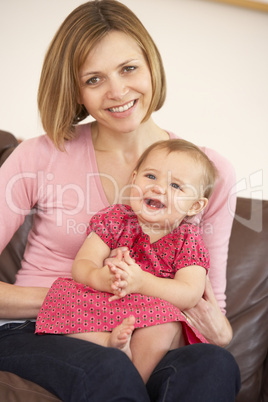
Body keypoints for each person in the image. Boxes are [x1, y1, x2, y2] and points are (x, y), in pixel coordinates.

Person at [0, 0, 240, 401]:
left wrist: (218, 329)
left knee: (214, 365)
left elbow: (212, 311)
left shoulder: (208, 173)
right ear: (75, 89)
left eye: (128, 68)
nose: (117, 91)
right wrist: (88, 296)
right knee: (108, 369)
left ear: (151, 65)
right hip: (42, 328)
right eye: (93, 79)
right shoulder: (40, 155)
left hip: (149, 331)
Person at [35, 139, 216, 383]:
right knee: (62, 294)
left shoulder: (188, 240)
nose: (159, 188)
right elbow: (83, 263)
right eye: (150, 177)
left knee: (165, 324)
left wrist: (141, 283)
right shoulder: (116, 219)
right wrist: (100, 277)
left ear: (195, 205)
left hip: (152, 313)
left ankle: (132, 384)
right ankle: (108, 343)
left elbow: (189, 293)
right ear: (133, 178)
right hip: (109, 301)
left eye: (175, 185)